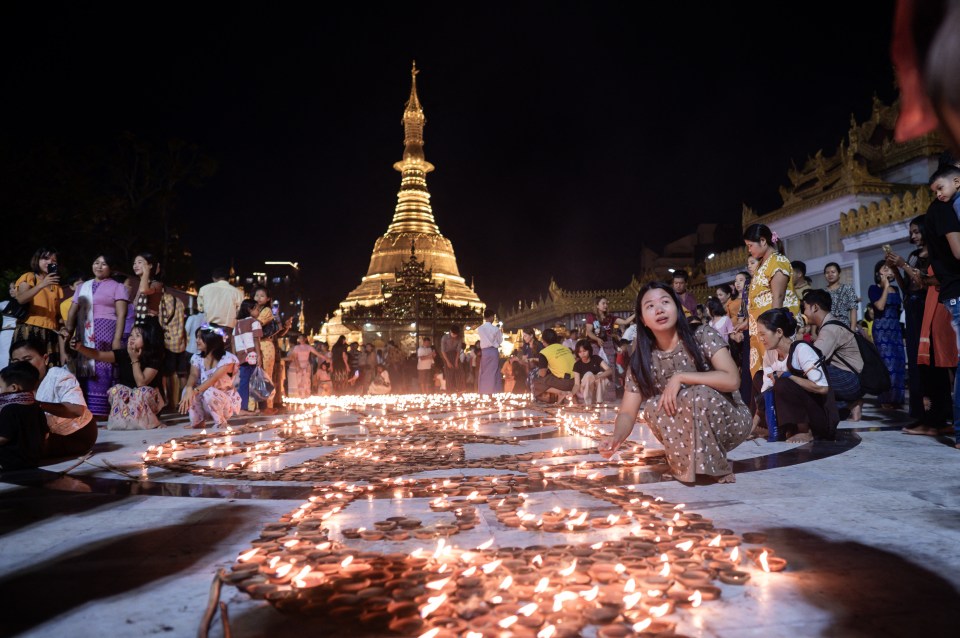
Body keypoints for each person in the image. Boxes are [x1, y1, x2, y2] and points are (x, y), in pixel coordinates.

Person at [599, 282, 751, 484]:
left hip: (727, 419)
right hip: (683, 428)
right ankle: (683, 465)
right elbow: (627, 411)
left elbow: (732, 380)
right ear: (643, 320)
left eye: (665, 302)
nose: (659, 310)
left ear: (678, 309)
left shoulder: (702, 335)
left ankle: (714, 467)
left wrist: (681, 377)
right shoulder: (641, 360)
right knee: (653, 406)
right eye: (650, 306)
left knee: (696, 394)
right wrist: (616, 437)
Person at [754, 308, 839, 442]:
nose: (760, 339)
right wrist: (754, 424)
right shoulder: (770, 353)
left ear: (779, 332)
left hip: (818, 417)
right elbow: (766, 390)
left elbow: (822, 388)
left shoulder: (802, 350)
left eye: (763, 334)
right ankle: (776, 426)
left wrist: (789, 376)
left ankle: (805, 430)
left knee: (783, 382)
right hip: (792, 411)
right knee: (759, 377)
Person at [62, 254, 128, 416]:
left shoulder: (117, 286)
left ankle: (104, 410)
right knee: (86, 365)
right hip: (86, 331)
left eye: (104, 264)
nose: (99, 266)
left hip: (107, 330)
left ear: (111, 268)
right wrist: (68, 331)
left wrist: (117, 338)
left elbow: (121, 314)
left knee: (103, 364)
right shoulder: (83, 286)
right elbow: (72, 311)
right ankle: (87, 409)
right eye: (96, 262)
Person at [72, 318, 165, 430]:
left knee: (142, 392)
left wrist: (134, 359)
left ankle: (152, 422)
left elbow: (141, 383)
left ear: (147, 340)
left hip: (149, 403)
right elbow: (99, 355)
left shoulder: (153, 358)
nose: (132, 338)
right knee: (117, 389)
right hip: (130, 404)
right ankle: (121, 422)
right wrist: (79, 347)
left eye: (137, 335)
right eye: (131, 335)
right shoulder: (123, 354)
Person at [10, 338, 95, 458]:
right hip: (46, 435)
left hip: (77, 434)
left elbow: (77, 410)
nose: (21, 365)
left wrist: (37, 404)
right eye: (16, 361)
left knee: (20, 452)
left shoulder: (58, 376)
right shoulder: (13, 382)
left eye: (27, 359)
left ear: (45, 359)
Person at [744, 224, 799, 379]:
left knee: (776, 372)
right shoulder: (762, 264)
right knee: (762, 373)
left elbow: (778, 297)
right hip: (761, 329)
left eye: (750, 245)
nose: (749, 250)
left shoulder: (778, 261)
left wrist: (773, 327)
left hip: (772, 329)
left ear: (763, 241)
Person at [801, 289, 864, 421]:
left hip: (849, 381)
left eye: (805, 308)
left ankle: (848, 403)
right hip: (851, 378)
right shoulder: (830, 325)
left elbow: (812, 359)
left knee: (807, 374)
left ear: (815, 307)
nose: (804, 313)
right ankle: (847, 404)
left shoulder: (829, 329)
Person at [179, 325, 240, 428]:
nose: (197, 340)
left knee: (209, 392)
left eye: (200, 338)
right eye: (197, 337)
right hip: (205, 399)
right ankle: (197, 421)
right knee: (187, 390)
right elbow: (193, 374)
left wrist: (193, 392)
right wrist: (189, 388)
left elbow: (213, 379)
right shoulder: (197, 357)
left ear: (211, 340)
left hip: (223, 403)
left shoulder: (227, 359)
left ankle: (221, 422)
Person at [12, 247, 64, 366]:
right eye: (45, 258)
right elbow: (21, 298)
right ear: (37, 260)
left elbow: (57, 314)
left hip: (51, 333)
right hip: (29, 329)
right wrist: (42, 284)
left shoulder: (56, 286)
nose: (50, 262)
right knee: (26, 370)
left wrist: (63, 327)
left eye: (54, 260)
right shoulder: (30, 277)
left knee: (48, 369)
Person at [868, 260, 906, 408]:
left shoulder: (896, 289)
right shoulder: (874, 288)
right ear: (879, 273)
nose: (889, 271)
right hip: (881, 329)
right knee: (887, 364)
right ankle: (885, 399)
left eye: (891, 269)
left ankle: (897, 399)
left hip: (895, 329)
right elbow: (880, 306)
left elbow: (898, 311)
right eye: (885, 268)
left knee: (898, 363)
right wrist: (885, 287)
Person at [0, 362, 47, 471]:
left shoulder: (9, 409)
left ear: (13, 388)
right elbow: (45, 433)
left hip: (10, 460)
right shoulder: (37, 407)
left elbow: (3, 438)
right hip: (34, 459)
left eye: (0, 387)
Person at [253, 287, 289, 411]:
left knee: (265, 375)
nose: (258, 298)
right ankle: (253, 406)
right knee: (254, 376)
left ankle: (267, 405)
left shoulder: (267, 310)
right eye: (256, 295)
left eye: (262, 296)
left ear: (268, 299)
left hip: (265, 345)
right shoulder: (253, 310)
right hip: (254, 344)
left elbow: (256, 324)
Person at [158, 287, 187, 411]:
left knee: (169, 374)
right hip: (181, 342)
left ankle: (171, 403)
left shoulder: (162, 302)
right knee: (182, 374)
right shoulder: (178, 301)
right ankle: (184, 402)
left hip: (168, 342)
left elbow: (160, 322)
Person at [233, 299, 263, 412]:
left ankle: (242, 407)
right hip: (252, 354)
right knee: (255, 382)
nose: (259, 311)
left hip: (241, 355)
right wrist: (259, 355)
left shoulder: (238, 324)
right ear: (250, 309)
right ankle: (255, 407)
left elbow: (233, 341)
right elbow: (256, 340)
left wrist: (236, 356)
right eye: (257, 309)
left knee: (244, 382)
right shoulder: (255, 322)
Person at [532, 328, 575, 402]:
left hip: (564, 383)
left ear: (543, 341)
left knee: (537, 381)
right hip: (575, 382)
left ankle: (561, 393)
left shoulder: (544, 352)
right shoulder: (565, 348)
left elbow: (542, 374)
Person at [571, 338, 613, 406]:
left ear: (589, 350)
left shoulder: (596, 358)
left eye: (584, 351)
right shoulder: (577, 365)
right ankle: (588, 403)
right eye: (580, 352)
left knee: (600, 374)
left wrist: (597, 376)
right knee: (588, 374)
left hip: (597, 387)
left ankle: (599, 401)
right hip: (585, 388)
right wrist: (571, 394)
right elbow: (576, 384)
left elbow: (609, 370)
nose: (582, 354)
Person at [131, 253, 164, 328]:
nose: (135, 266)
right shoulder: (141, 283)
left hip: (149, 325)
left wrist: (146, 271)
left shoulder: (156, 284)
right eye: (134, 263)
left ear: (150, 265)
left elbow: (144, 290)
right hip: (139, 323)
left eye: (139, 262)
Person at [823, 262, 858, 329]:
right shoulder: (823, 292)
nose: (830, 274)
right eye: (827, 273)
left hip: (843, 325)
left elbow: (853, 309)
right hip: (827, 326)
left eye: (833, 272)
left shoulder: (848, 288)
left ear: (839, 273)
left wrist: (852, 329)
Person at [476, 309, 503, 394]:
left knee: (484, 371)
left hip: (485, 352)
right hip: (493, 351)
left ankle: (483, 391)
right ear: (491, 317)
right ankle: (493, 392)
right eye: (493, 317)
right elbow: (500, 340)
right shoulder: (495, 329)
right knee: (493, 371)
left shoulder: (480, 329)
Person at [287, 334, 322, 399]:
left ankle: (306, 396)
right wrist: (298, 366)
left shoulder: (308, 347)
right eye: (299, 338)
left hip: (306, 366)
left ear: (305, 339)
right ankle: (300, 396)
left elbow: (317, 353)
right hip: (299, 366)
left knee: (306, 381)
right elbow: (295, 358)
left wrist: (326, 358)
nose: (301, 340)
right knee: (300, 381)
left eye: (302, 338)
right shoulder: (297, 347)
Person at [440, 325, 464, 393]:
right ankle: (449, 391)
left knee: (459, 372)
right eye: (453, 334)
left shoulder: (459, 338)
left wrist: (456, 361)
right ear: (450, 331)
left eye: (456, 334)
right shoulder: (444, 338)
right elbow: (443, 351)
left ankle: (460, 390)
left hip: (455, 354)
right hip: (446, 355)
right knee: (449, 374)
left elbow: (458, 350)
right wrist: (447, 362)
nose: (454, 336)